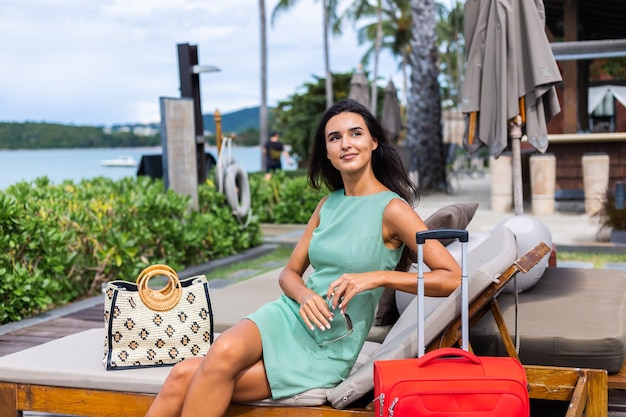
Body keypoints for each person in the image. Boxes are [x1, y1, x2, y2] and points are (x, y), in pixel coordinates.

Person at [145, 99, 461, 417]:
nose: (346, 144)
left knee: (187, 375)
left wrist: (377, 277)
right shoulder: (328, 204)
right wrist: (305, 295)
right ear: (326, 151)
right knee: (201, 362)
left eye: (356, 134)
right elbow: (289, 273)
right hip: (289, 314)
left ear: (373, 142)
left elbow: (451, 276)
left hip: (329, 345)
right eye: (334, 137)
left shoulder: (394, 210)